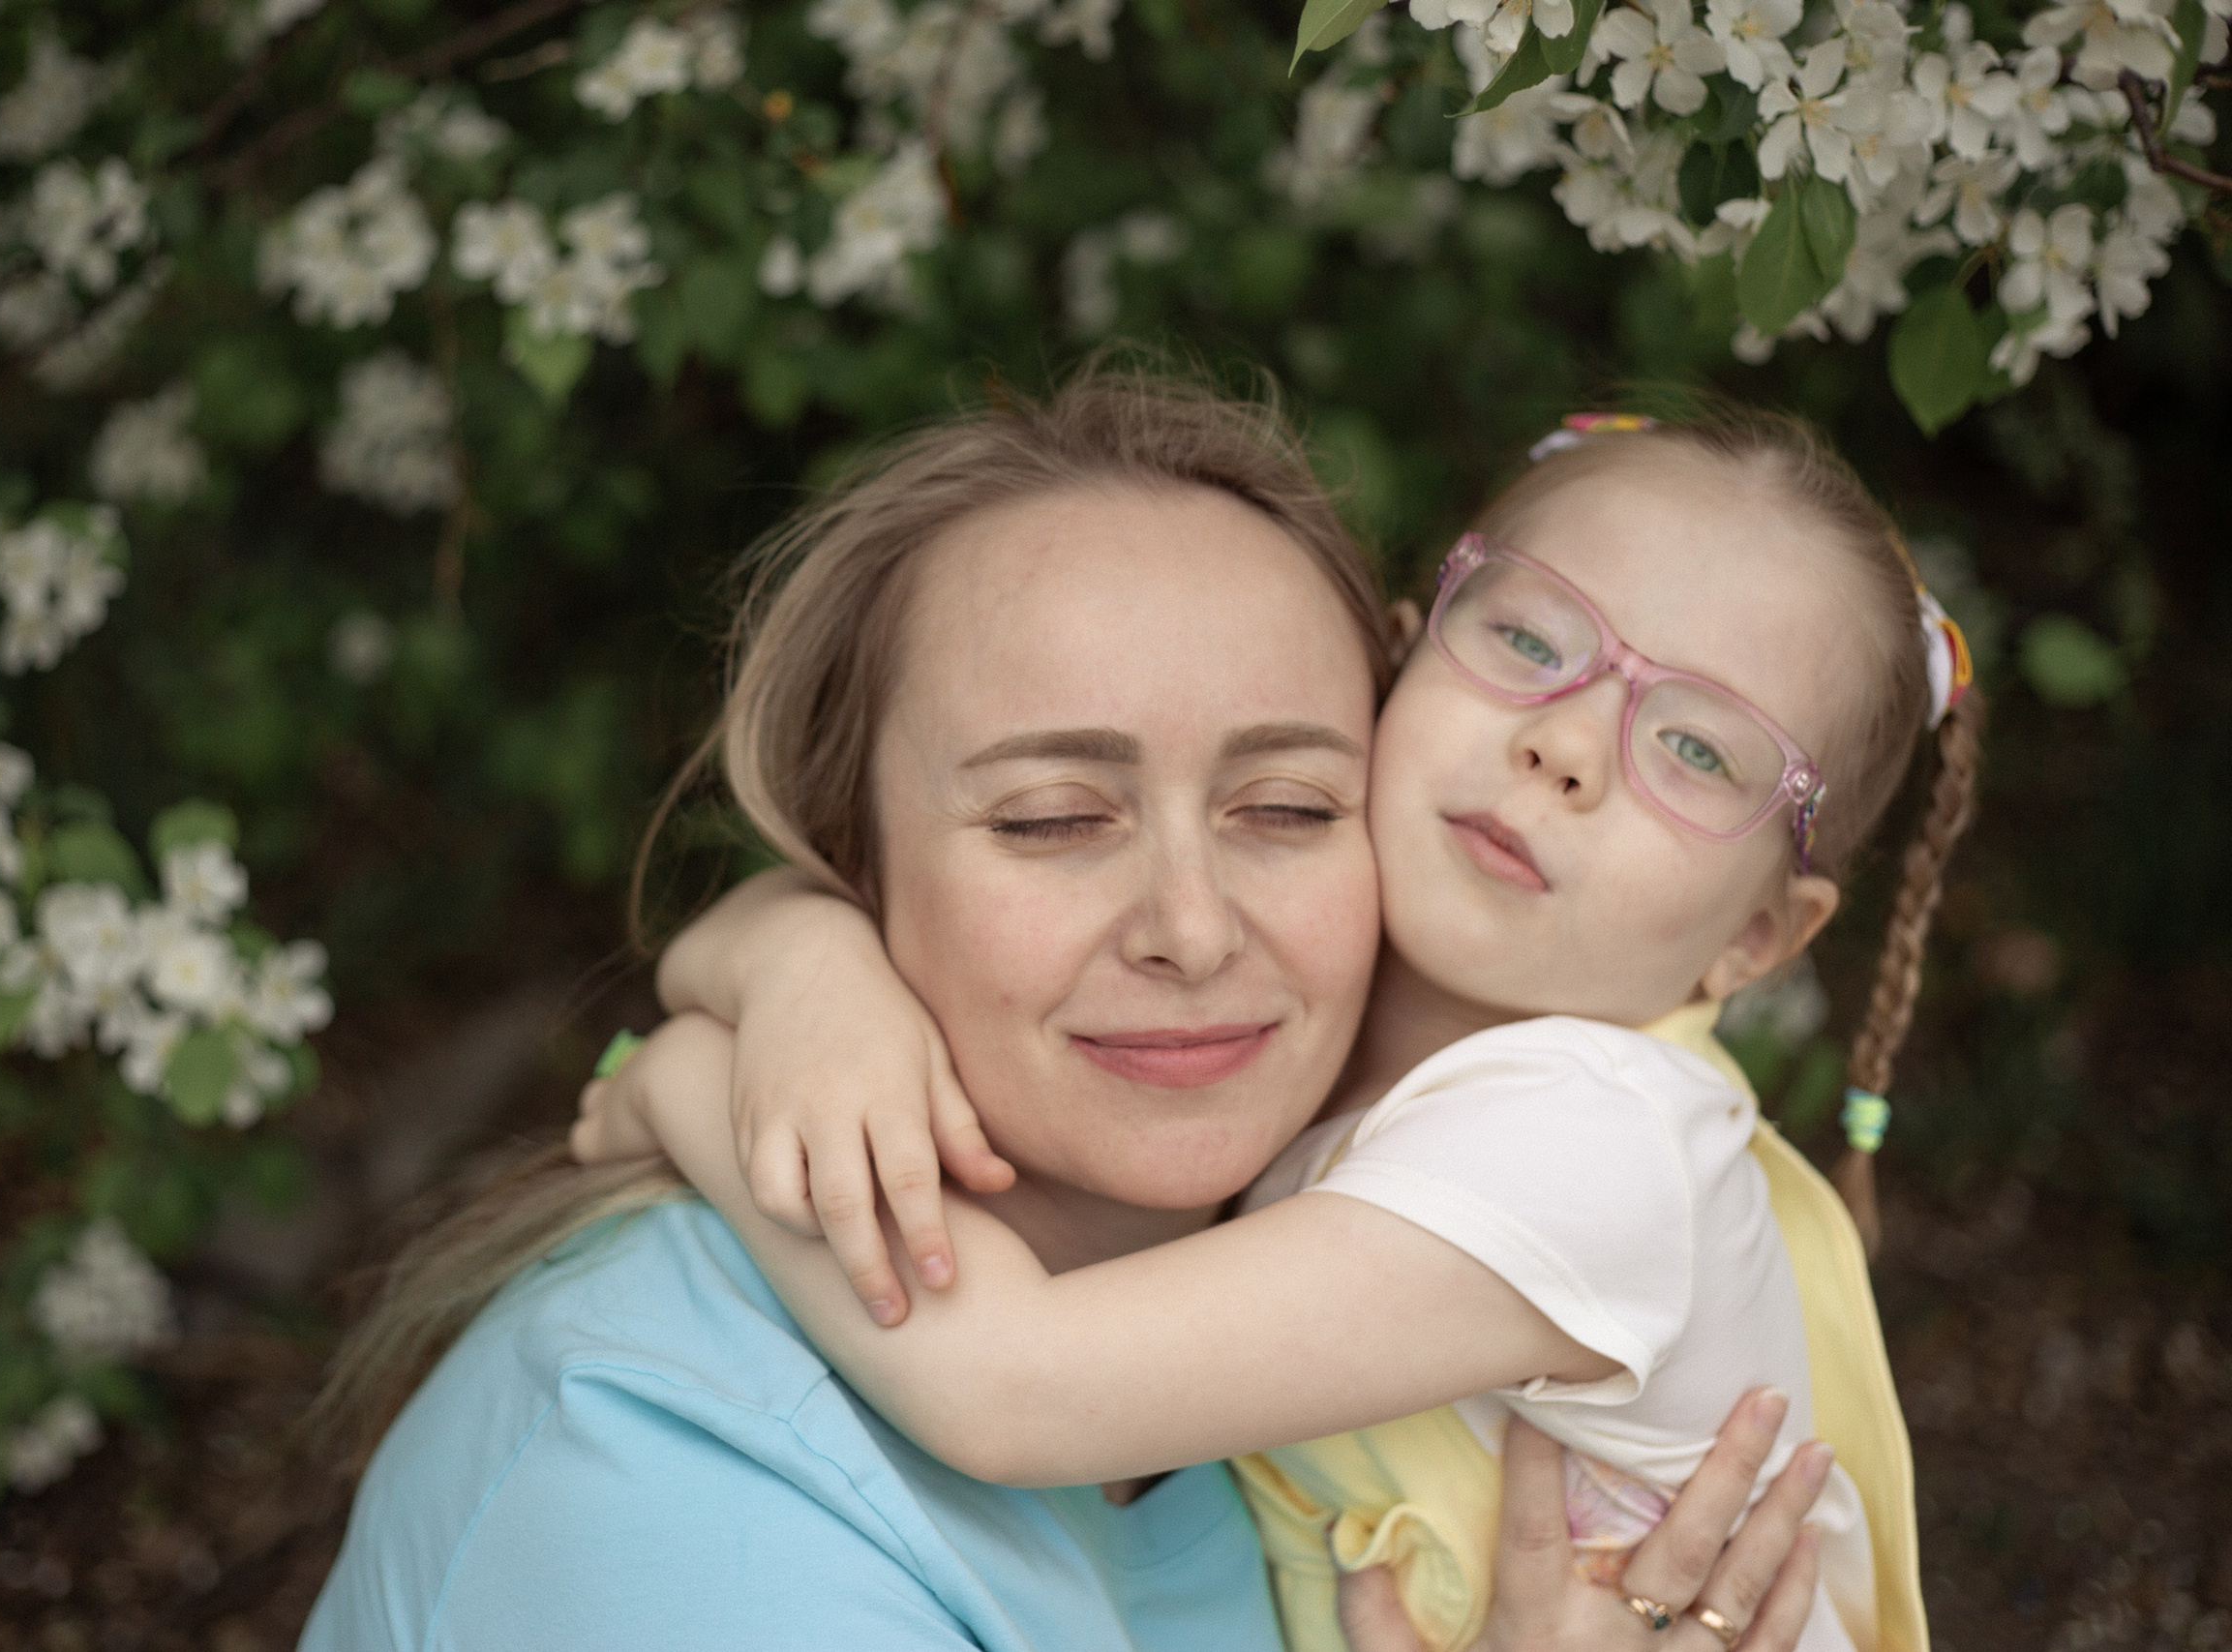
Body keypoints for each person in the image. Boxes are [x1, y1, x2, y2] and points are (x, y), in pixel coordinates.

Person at [302, 369, 1830, 1651]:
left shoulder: (1300, 1290)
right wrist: (764, 981)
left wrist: (729, 1020)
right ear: (856, 864)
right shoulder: (675, 1505)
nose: (1189, 926)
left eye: (1291, 806)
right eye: (1048, 819)